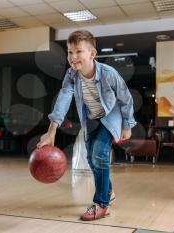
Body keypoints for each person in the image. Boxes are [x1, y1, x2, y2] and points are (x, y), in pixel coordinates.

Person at [37, 30, 136, 221]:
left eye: (78, 52)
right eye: (69, 52)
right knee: (91, 159)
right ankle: (108, 191)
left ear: (92, 54)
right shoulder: (71, 75)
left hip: (110, 117)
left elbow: (126, 99)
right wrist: (51, 132)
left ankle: (101, 204)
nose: (73, 58)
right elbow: (63, 99)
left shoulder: (109, 74)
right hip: (90, 119)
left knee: (99, 154)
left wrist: (127, 125)